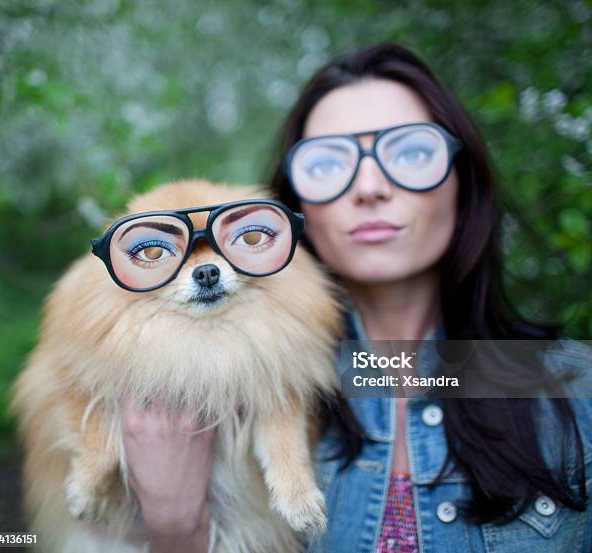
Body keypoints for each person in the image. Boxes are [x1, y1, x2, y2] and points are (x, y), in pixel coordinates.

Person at [121, 43, 591, 552]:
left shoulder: (577, 390)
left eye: (411, 152)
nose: (369, 187)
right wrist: (175, 528)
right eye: (327, 163)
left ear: (462, 180)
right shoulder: (230, 391)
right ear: (291, 209)